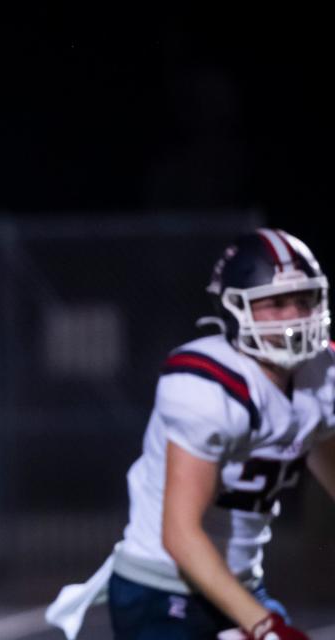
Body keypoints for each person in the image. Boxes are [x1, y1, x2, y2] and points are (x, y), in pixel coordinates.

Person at [47, 228, 335, 640]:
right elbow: (180, 535)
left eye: (303, 300)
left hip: (238, 582)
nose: (294, 315)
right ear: (237, 307)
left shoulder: (321, 372)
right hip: (161, 588)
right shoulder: (207, 384)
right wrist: (263, 624)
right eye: (275, 303)